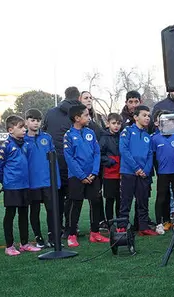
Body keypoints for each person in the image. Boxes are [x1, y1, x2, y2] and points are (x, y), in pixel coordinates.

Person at [64, 105, 108, 246]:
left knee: (95, 202)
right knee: (75, 204)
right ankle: (72, 234)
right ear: (77, 118)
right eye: (86, 115)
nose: (89, 117)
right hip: (77, 177)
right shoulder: (69, 135)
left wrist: (94, 172)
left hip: (93, 176)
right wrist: (82, 175)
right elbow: (69, 158)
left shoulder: (90, 132)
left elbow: (96, 153)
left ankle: (95, 233)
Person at [0, 115, 33, 256]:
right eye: (20, 127)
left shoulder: (26, 144)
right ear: (11, 130)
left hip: (24, 186)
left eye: (24, 127)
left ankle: (24, 243)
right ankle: (9, 245)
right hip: (11, 187)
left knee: (24, 214)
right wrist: (5, 182)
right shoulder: (7, 146)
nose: (24, 130)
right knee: (10, 215)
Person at [43, 87, 83, 222]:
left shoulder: (50, 113)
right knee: (73, 196)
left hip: (54, 160)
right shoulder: (79, 114)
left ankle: (56, 228)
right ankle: (70, 227)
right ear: (78, 98)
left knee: (57, 195)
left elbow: (45, 132)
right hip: (73, 161)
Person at [119, 104, 155, 236]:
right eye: (144, 115)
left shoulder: (147, 136)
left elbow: (150, 154)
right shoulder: (127, 131)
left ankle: (143, 226)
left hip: (143, 174)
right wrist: (136, 168)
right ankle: (122, 226)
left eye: (148, 116)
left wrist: (145, 169)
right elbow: (124, 150)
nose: (147, 118)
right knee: (126, 200)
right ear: (135, 117)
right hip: (129, 172)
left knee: (143, 200)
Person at [24, 109, 54, 249]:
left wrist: (56, 181)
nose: (36, 123)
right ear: (26, 122)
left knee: (51, 209)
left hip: (47, 181)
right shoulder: (22, 139)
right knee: (34, 210)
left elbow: (52, 159)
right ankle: (38, 236)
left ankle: (52, 235)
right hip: (32, 183)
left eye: (38, 120)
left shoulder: (47, 138)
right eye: (32, 120)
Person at [152, 112, 174, 233]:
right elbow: (153, 156)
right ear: (159, 124)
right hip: (162, 173)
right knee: (161, 197)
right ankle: (159, 223)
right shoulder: (155, 138)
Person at [100, 113, 123, 230]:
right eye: (114, 123)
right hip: (109, 173)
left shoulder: (122, 136)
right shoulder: (104, 137)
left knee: (120, 199)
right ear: (108, 123)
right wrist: (110, 161)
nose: (116, 126)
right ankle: (109, 223)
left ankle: (120, 222)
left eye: (119, 123)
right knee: (110, 199)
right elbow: (100, 154)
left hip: (121, 173)